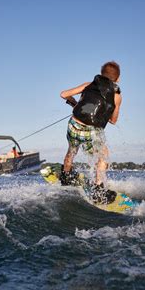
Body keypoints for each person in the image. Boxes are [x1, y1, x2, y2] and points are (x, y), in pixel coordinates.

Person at [59, 61, 122, 203]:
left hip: (73, 124)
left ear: (101, 74)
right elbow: (113, 120)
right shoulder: (117, 96)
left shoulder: (88, 84)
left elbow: (63, 94)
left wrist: (74, 103)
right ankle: (98, 190)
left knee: (72, 150)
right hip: (91, 131)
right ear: (117, 79)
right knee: (104, 155)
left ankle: (65, 176)